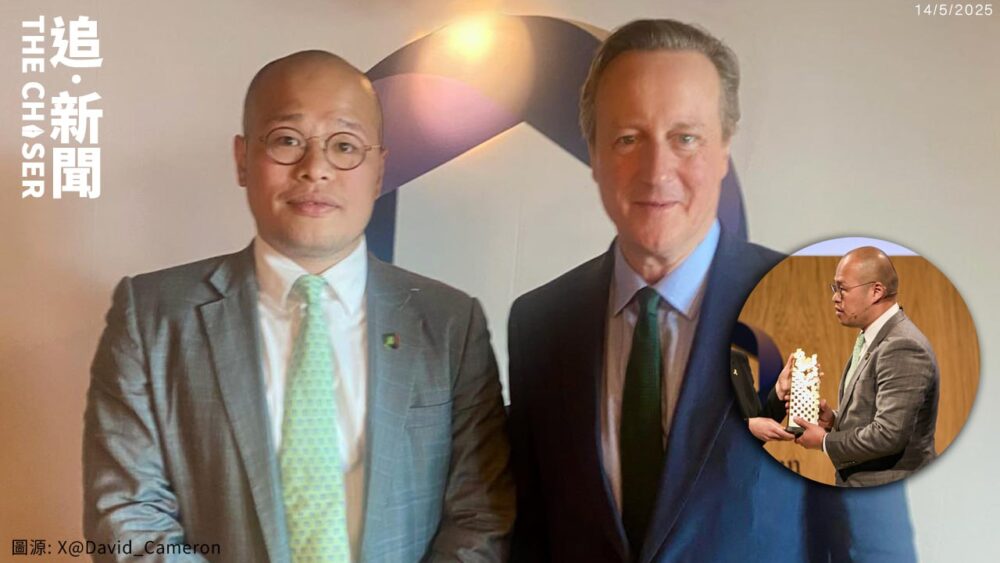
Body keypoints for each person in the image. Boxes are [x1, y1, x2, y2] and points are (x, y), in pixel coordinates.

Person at [507, 19, 916, 562]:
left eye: (686, 138)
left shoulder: (824, 314)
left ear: (724, 149)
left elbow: (874, 549)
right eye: (628, 138)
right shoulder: (540, 323)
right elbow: (532, 536)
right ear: (595, 154)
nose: (657, 171)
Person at [83, 50, 513, 562]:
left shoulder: (449, 324)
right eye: (287, 140)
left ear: (379, 170)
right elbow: (127, 515)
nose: (315, 170)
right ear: (243, 158)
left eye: (344, 146)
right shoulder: (151, 316)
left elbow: (480, 516)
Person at [794, 246, 939, 487]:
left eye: (842, 288)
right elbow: (876, 414)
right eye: (834, 288)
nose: (835, 297)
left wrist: (824, 442)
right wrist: (834, 420)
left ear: (876, 291)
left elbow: (888, 434)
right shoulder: (873, 337)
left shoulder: (902, 345)